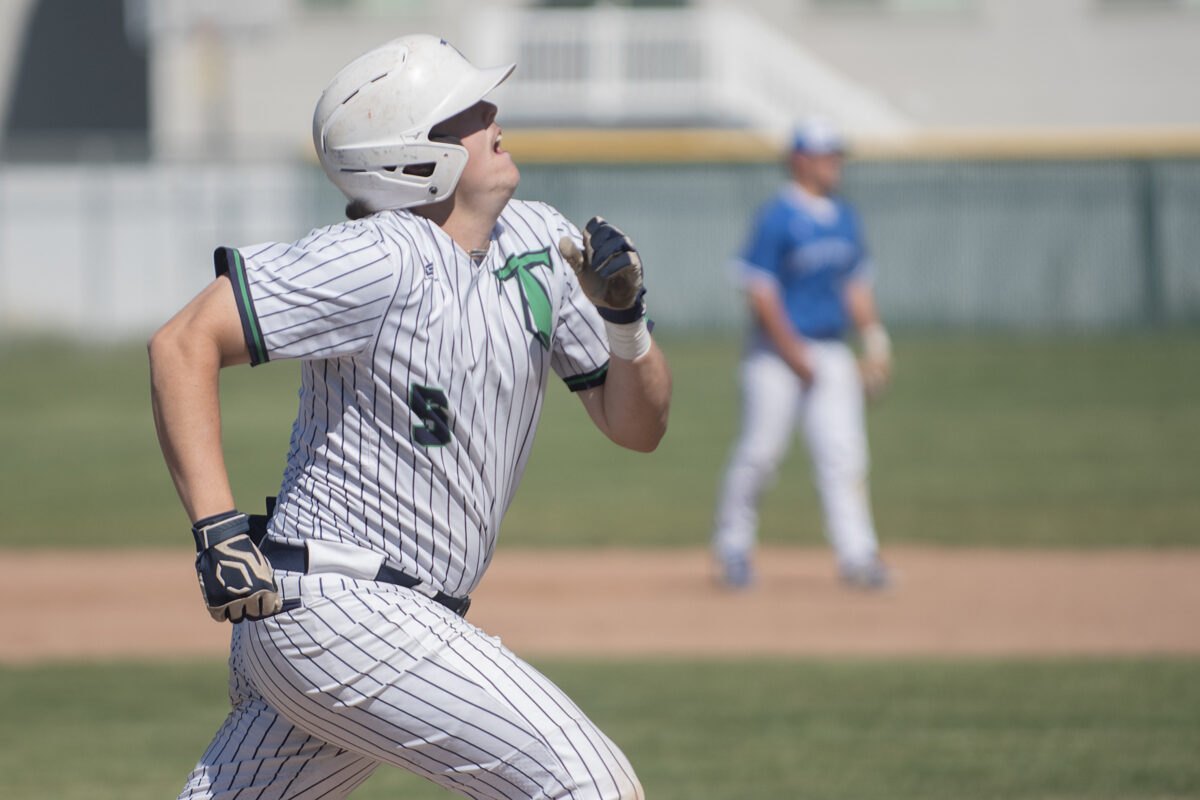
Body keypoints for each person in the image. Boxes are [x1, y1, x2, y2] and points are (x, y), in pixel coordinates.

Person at [149, 34, 671, 800]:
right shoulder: (383, 254)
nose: (493, 114)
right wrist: (217, 532)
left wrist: (625, 320)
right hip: (341, 609)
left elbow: (639, 427)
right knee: (588, 784)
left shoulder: (536, 242)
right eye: (466, 111)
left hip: (381, 620)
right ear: (411, 155)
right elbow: (184, 340)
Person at [710, 116, 893, 592]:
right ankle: (733, 549)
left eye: (836, 155)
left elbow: (855, 286)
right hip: (775, 354)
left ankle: (858, 555)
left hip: (830, 350)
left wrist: (874, 339)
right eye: (825, 155)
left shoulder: (846, 217)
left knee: (845, 456)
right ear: (799, 161)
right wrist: (792, 353)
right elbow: (761, 291)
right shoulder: (778, 216)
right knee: (761, 453)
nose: (835, 164)